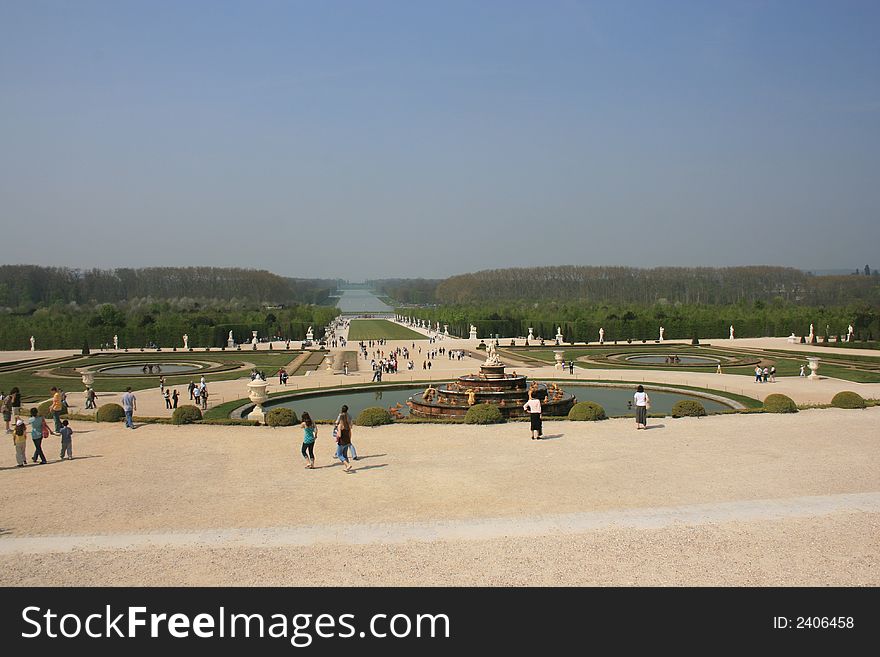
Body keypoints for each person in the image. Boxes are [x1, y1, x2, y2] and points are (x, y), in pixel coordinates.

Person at [335, 404, 356, 470]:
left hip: (341, 442)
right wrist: (349, 439)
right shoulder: (348, 425)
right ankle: (347, 465)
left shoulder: (340, 426)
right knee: (345, 454)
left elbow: (340, 435)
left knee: (339, 455)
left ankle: (347, 465)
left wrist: (337, 436)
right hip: (347, 441)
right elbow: (350, 433)